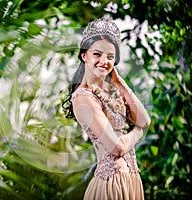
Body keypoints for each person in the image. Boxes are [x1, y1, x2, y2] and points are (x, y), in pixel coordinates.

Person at [62, 15, 151, 200]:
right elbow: (116, 147)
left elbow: (144, 120)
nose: (104, 61)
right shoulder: (83, 98)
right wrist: (138, 133)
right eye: (97, 54)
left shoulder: (112, 90)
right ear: (84, 55)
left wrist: (120, 83)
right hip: (111, 187)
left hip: (131, 182)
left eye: (110, 56)